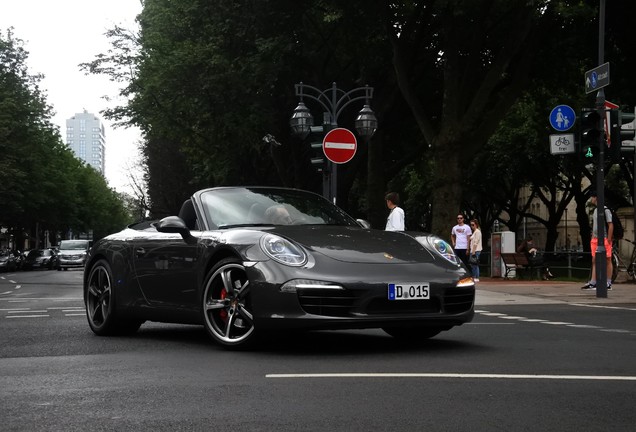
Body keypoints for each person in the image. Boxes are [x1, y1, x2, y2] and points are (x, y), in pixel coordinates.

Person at [582, 191, 613, 291]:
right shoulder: (595, 210)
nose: (591, 199)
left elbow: (610, 224)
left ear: (596, 198)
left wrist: (608, 238)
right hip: (595, 239)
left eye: (592, 197)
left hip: (603, 238)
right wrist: (592, 237)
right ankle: (593, 282)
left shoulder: (605, 210)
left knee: (607, 260)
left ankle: (608, 282)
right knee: (594, 260)